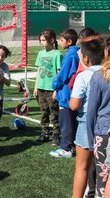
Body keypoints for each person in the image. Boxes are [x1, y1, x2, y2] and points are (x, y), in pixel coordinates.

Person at [69, 36, 104, 198]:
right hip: (105, 126)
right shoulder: (106, 73)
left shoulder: (83, 76)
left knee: (82, 167)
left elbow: (74, 105)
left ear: (85, 58)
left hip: (85, 126)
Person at [50, 28, 79, 158]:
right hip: (73, 92)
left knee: (65, 122)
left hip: (66, 93)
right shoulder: (77, 52)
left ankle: (66, 148)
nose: (59, 42)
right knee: (73, 121)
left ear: (69, 41)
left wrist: (55, 86)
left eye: (61, 40)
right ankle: (73, 145)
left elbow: (63, 74)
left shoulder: (70, 54)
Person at [87, 36, 110, 198]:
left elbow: (91, 112)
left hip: (103, 132)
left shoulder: (99, 76)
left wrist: (90, 139)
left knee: (102, 177)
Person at [33, 29, 62, 146]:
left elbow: (59, 73)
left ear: (52, 40)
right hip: (41, 88)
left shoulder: (57, 54)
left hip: (51, 89)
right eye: (40, 40)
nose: (41, 43)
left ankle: (56, 133)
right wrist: (36, 86)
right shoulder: (41, 53)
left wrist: (56, 89)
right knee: (44, 112)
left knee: (54, 112)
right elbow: (39, 70)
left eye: (43, 40)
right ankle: (44, 133)